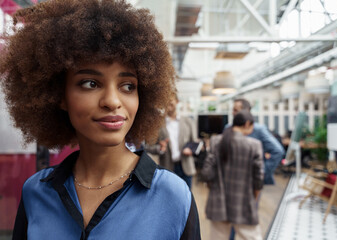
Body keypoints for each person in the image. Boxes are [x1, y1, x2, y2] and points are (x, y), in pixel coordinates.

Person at [0, 1, 200, 239]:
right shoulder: (36, 192)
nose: (112, 101)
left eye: (128, 86)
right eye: (90, 83)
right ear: (58, 95)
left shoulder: (174, 197)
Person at [201, 110, 264, 240]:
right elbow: (259, 178)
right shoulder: (254, 145)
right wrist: (254, 197)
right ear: (247, 124)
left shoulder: (216, 141)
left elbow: (206, 173)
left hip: (218, 203)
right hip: (244, 202)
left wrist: (214, 188)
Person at [146, 95, 198, 189]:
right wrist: (160, 148)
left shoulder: (188, 122)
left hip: (186, 167)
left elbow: (194, 143)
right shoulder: (157, 124)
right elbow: (148, 146)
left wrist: (190, 149)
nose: (168, 101)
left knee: (187, 199)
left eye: (171, 99)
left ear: (177, 101)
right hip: (167, 168)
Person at [232, 98, 285, 185]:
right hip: (231, 178)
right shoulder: (228, 128)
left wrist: (262, 172)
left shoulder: (258, 129)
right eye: (233, 110)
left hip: (251, 180)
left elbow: (278, 151)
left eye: (236, 110)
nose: (233, 113)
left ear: (247, 111)